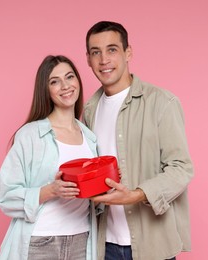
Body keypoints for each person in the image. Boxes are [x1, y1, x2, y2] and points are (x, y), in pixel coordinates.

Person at [83, 21, 194, 260]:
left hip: (152, 244)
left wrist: (137, 194)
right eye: (96, 52)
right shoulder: (89, 110)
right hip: (104, 245)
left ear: (128, 52)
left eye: (112, 49)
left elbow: (181, 168)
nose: (104, 59)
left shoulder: (162, 103)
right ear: (88, 59)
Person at [0, 55, 99, 260]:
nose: (65, 85)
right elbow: (4, 195)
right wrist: (51, 190)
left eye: (70, 77)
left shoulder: (90, 137)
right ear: (46, 90)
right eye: (54, 81)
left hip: (82, 240)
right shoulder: (30, 135)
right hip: (41, 241)